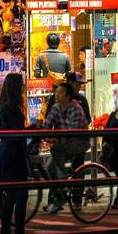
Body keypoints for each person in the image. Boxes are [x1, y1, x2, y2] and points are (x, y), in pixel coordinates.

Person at [0, 72, 33, 234]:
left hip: (6, 154)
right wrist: (33, 129)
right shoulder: (13, 109)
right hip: (15, 154)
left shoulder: (3, 106)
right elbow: (18, 133)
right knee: (21, 196)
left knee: (9, 196)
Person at [43, 81, 88, 214]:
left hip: (78, 142)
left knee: (57, 153)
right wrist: (42, 134)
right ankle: (59, 193)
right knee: (49, 166)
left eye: (60, 92)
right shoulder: (56, 107)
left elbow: (74, 131)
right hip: (64, 142)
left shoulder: (76, 108)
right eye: (56, 92)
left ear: (68, 96)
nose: (57, 95)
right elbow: (48, 123)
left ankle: (63, 191)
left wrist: (56, 139)